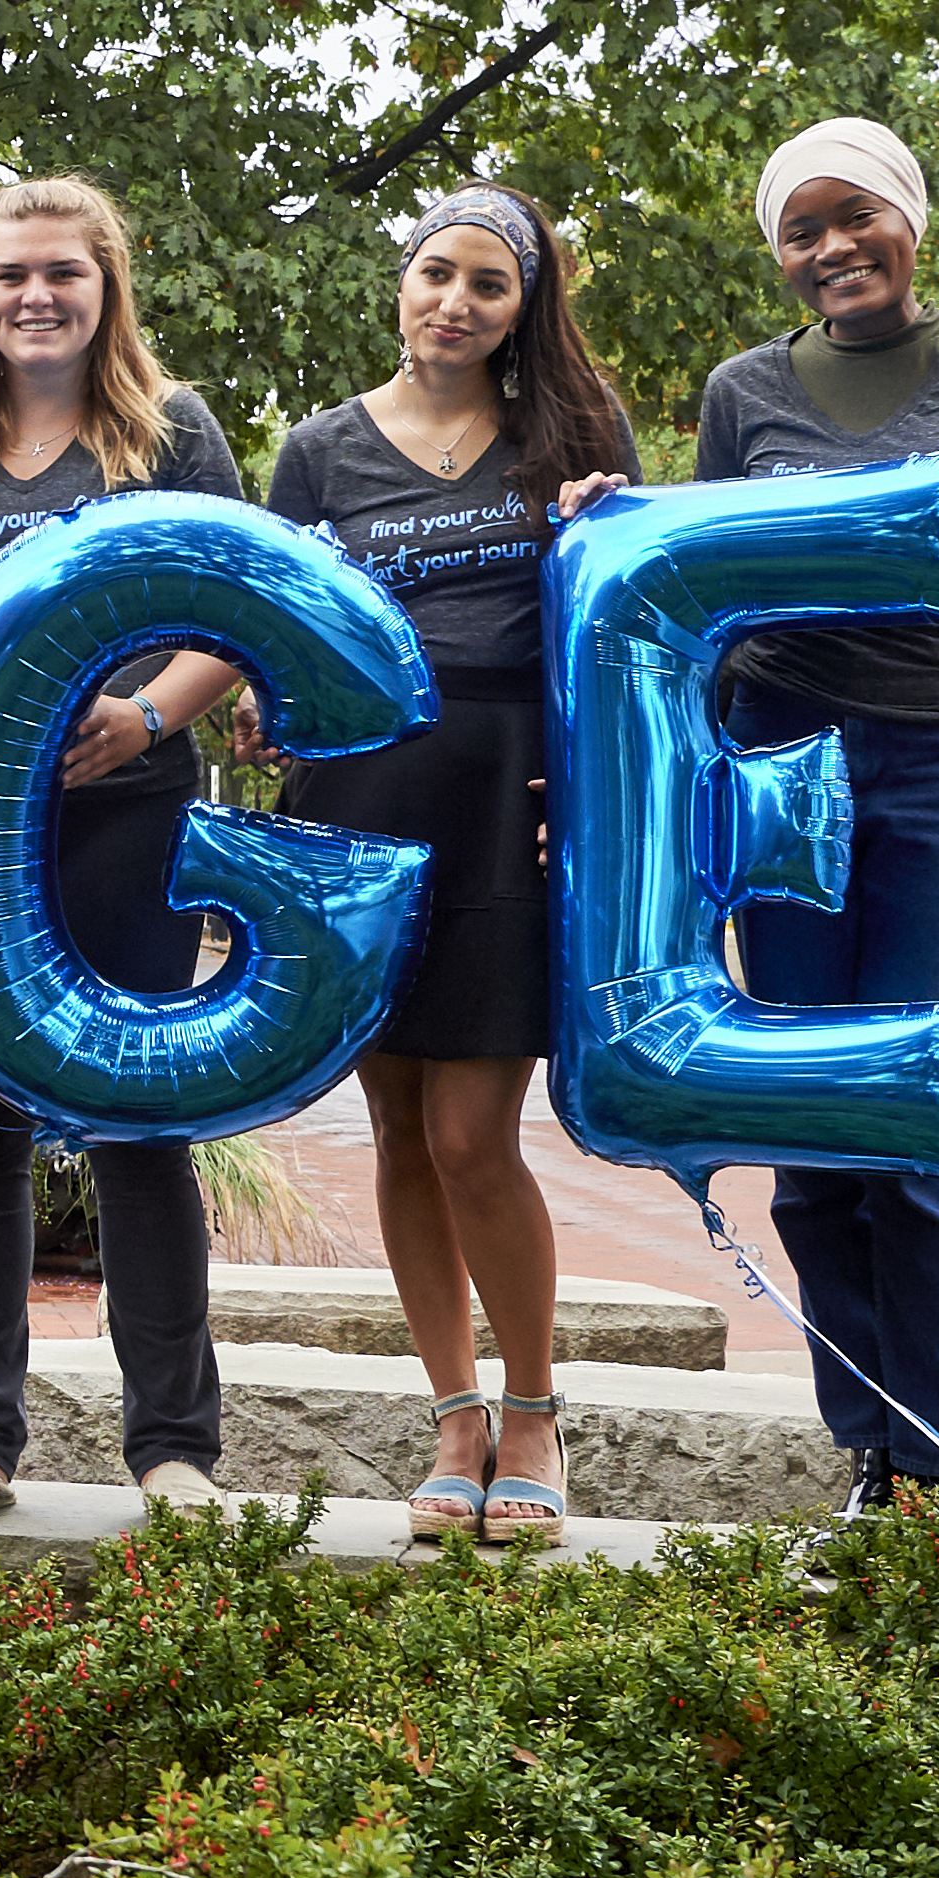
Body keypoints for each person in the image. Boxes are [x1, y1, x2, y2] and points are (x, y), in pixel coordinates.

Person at [611, 117, 939, 1512]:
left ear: (908, 220)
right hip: (783, 771)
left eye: (853, 217)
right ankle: (868, 1455)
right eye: (801, 231)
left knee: (930, 1121)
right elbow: (706, 585)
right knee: (811, 1136)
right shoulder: (742, 393)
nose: (831, 248)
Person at [0, 178, 249, 1522]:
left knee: (142, 1123)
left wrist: (143, 718)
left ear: (106, 287)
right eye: (11, 273)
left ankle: (173, 1450)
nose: (36, 295)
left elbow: (234, 615)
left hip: (133, 819)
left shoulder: (175, 437)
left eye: (62, 274)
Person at [259, 185, 639, 1542]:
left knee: (475, 1131)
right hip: (355, 793)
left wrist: (605, 518)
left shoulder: (575, 439)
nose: (456, 302)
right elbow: (283, 617)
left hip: (504, 790)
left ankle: (533, 1403)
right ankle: (453, 1415)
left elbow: (620, 623)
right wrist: (260, 698)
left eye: (489, 283)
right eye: (437, 274)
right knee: (396, 1128)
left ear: (522, 308)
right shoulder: (318, 450)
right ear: (401, 284)